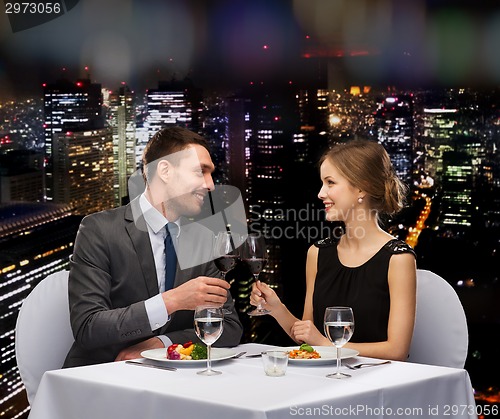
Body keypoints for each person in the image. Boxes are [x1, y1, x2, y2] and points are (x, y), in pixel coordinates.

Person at [64, 126, 243, 368]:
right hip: (103, 377)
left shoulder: (203, 239)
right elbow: (88, 327)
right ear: (165, 170)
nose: (210, 185)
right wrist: (172, 301)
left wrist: (163, 343)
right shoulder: (99, 230)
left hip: (174, 382)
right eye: (201, 172)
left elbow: (229, 327)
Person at [251, 139, 416, 361]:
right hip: (325, 381)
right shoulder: (317, 253)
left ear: (361, 187)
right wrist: (276, 308)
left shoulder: (398, 259)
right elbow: (307, 338)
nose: (320, 193)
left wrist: (325, 344)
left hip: (376, 385)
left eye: (330, 183)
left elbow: (396, 351)